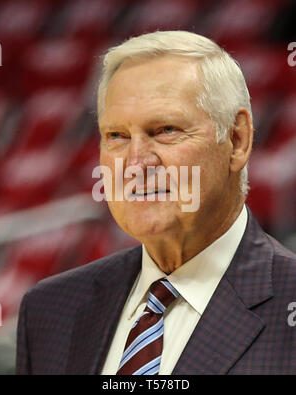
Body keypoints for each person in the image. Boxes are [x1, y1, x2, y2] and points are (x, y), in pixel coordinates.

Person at [16, 31, 296, 375]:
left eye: (165, 130)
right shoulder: (48, 310)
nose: (136, 163)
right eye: (116, 136)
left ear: (237, 140)